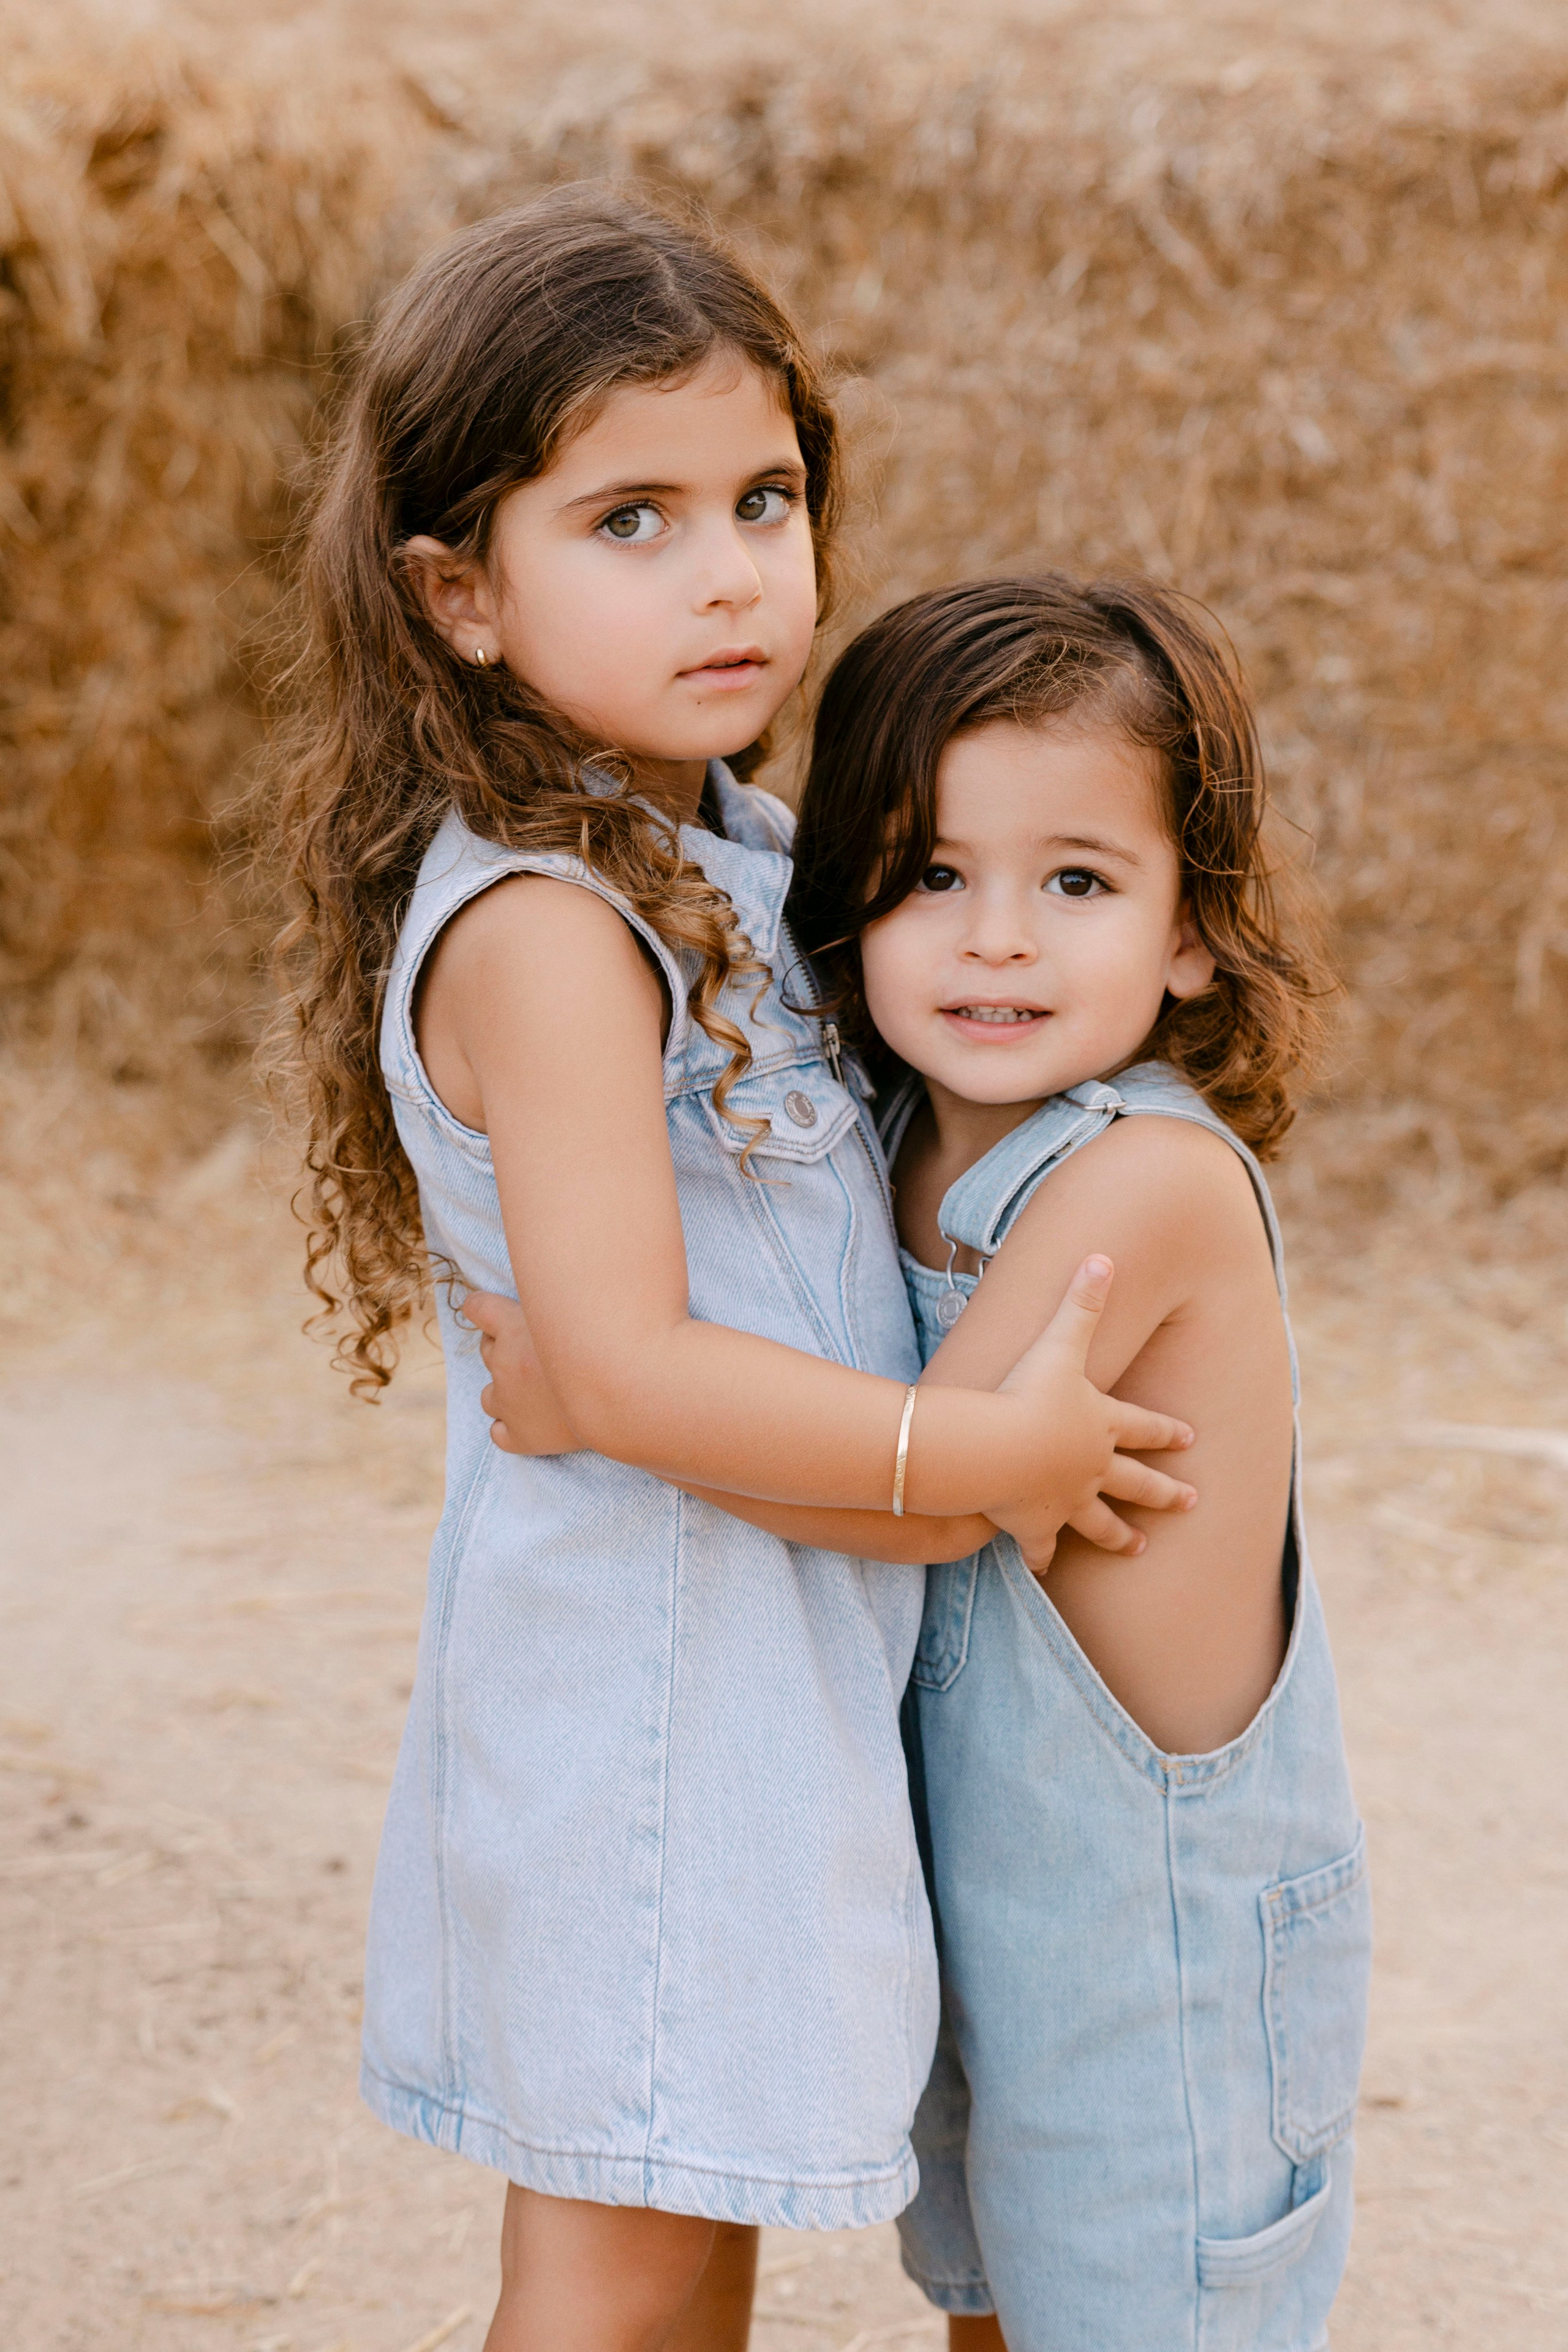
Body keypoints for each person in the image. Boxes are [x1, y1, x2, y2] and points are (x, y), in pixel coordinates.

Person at [271, 188, 1197, 2352]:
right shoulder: (544, 930)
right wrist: (981, 1450)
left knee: (700, 2239)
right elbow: (626, 1365)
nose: (729, 571)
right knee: (616, 2279)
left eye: (766, 500)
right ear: (458, 593)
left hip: (771, 1688)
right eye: (629, 519)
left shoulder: (739, 862)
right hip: (648, 1717)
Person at [481, 571, 1372, 2352]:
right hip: (981, 1928)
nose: (997, 941)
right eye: (932, 875)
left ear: (1194, 930)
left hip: (1161, 1963)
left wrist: (612, 1401)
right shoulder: (879, 1142)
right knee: (996, 2306)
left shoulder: (1145, 1183)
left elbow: (935, 1491)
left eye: (1078, 883)